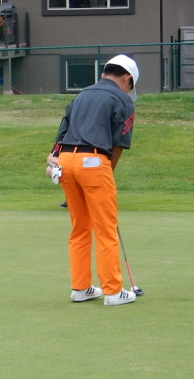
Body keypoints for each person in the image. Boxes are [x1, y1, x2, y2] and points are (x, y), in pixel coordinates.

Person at [46, 54, 139, 306]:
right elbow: (119, 143)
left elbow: (61, 135)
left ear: (103, 73)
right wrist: (108, 172)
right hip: (94, 162)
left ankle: (81, 288)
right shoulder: (123, 100)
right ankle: (113, 291)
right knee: (106, 228)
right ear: (127, 79)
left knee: (80, 227)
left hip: (66, 161)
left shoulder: (80, 95)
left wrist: (54, 162)